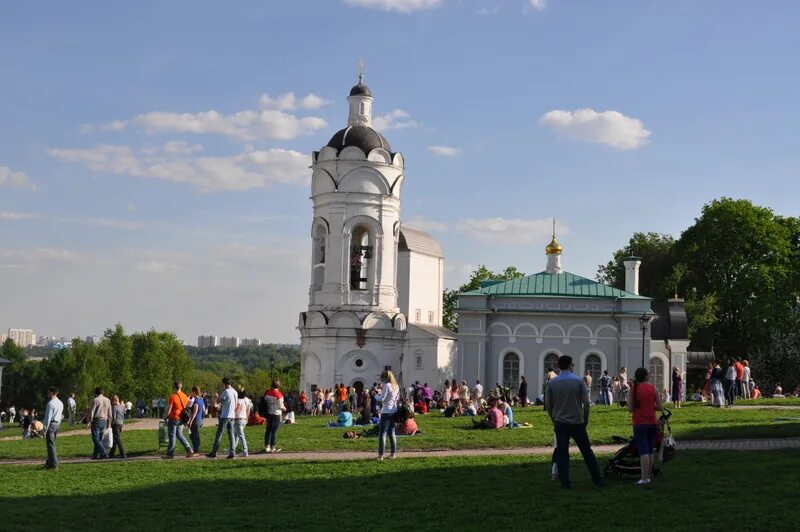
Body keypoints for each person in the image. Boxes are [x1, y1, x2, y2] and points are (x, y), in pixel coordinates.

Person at [545, 355, 603, 489]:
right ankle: (597, 479)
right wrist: (586, 418)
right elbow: (586, 404)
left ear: (559, 366)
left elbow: (548, 404)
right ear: (571, 365)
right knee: (587, 452)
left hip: (560, 422)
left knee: (562, 453)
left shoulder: (552, 383)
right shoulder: (578, 381)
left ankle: (565, 482)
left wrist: (553, 418)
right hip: (577, 422)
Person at [629, 367, 664, 485]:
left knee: (643, 451)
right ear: (646, 376)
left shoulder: (634, 389)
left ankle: (643, 478)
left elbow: (630, 408)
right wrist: (651, 407)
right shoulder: (653, 388)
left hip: (639, 423)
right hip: (652, 422)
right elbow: (660, 406)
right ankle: (648, 476)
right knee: (650, 450)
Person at [208, 377, 238, 459]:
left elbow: (218, 401)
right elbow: (235, 403)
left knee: (219, 434)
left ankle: (214, 452)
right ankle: (232, 453)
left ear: (224, 383)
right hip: (232, 415)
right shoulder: (235, 392)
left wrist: (216, 397)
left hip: (225, 416)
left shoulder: (226, 391)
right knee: (231, 434)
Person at [165, 381, 196, 459]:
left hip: (174, 418)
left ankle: (170, 453)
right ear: (181, 387)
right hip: (182, 419)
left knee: (172, 436)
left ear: (174, 387)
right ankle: (189, 450)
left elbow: (169, 408)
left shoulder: (173, 396)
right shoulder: (185, 396)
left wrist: (165, 417)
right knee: (179, 435)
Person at [376, 370, 400, 461]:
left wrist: (375, 395)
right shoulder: (396, 386)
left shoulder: (387, 385)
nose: (382, 381)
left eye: (383, 379)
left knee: (382, 434)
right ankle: (393, 453)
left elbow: (382, 399)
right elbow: (397, 398)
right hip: (394, 411)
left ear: (385, 378)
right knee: (392, 433)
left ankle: (380, 455)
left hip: (386, 411)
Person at [88, 387, 112, 460]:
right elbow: (110, 412)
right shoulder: (107, 400)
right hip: (104, 420)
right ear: (103, 392)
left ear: (96, 393)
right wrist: (109, 422)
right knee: (100, 439)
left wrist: (89, 421)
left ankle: (103, 453)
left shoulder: (95, 400)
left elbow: (92, 411)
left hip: (97, 419)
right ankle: (95, 455)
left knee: (95, 438)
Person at [263, 380, 286, 453]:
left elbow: (265, 402)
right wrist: (285, 408)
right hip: (276, 414)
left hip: (269, 414)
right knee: (274, 431)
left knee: (268, 430)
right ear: (278, 386)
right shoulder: (279, 395)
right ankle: (273, 447)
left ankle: (267, 446)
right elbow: (281, 406)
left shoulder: (267, 393)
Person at [43, 386, 63, 470]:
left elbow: (48, 418)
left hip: (51, 424)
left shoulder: (50, 403)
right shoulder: (60, 403)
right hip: (57, 424)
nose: (47, 394)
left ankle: (54, 464)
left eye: (48, 392)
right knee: (52, 443)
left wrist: (44, 430)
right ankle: (49, 462)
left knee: (50, 445)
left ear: (51, 393)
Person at [187, 386, 205, 454]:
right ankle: (196, 449)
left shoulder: (196, 400)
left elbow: (195, 411)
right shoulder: (201, 399)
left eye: (191, 392)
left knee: (193, 435)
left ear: (194, 392)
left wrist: (190, 421)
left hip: (196, 420)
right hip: (199, 419)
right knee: (195, 435)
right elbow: (203, 410)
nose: (191, 393)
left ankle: (196, 450)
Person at [233, 390, 250, 457]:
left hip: (238, 419)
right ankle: (232, 449)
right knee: (237, 435)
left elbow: (237, 409)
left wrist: (232, 412)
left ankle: (245, 451)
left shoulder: (239, 401)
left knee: (240, 435)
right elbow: (247, 410)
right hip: (243, 419)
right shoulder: (245, 400)